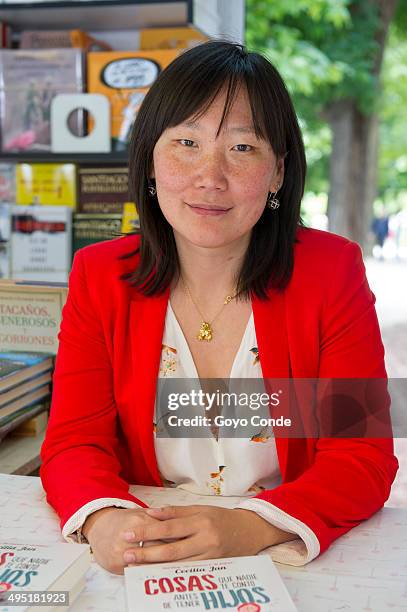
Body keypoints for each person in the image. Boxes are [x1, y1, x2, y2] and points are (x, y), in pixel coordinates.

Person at [40, 41, 398, 576]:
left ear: (278, 171)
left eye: (242, 148)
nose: (210, 175)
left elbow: (361, 456)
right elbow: (74, 442)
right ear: (151, 160)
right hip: (151, 554)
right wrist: (104, 517)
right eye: (186, 142)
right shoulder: (101, 276)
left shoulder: (330, 273)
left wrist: (252, 526)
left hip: (285, 555)